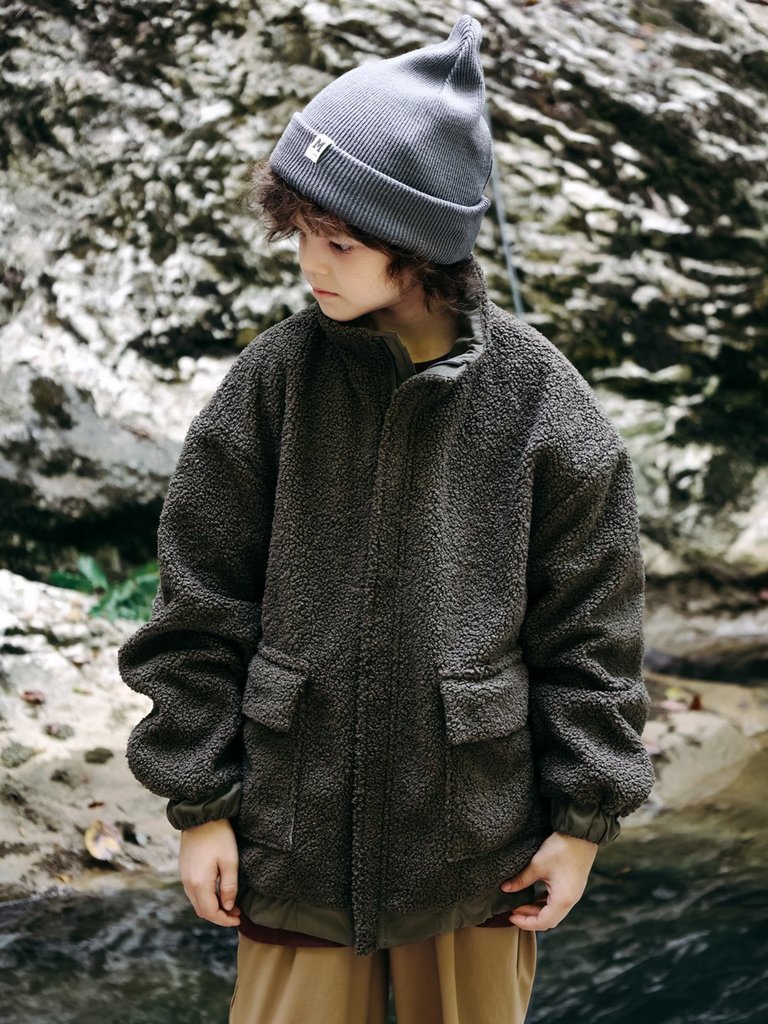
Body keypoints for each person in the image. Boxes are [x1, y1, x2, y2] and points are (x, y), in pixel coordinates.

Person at [117, 15, 655, 1024]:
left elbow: (593, 629)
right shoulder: (273, 381)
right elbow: (198, 601)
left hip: (479, 855)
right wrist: (201, 805)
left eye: (341, 242)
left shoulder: (542, 401)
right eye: (300, 234)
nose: (310, 264)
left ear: (422, 247)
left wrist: (583, 821)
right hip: (294, 839)